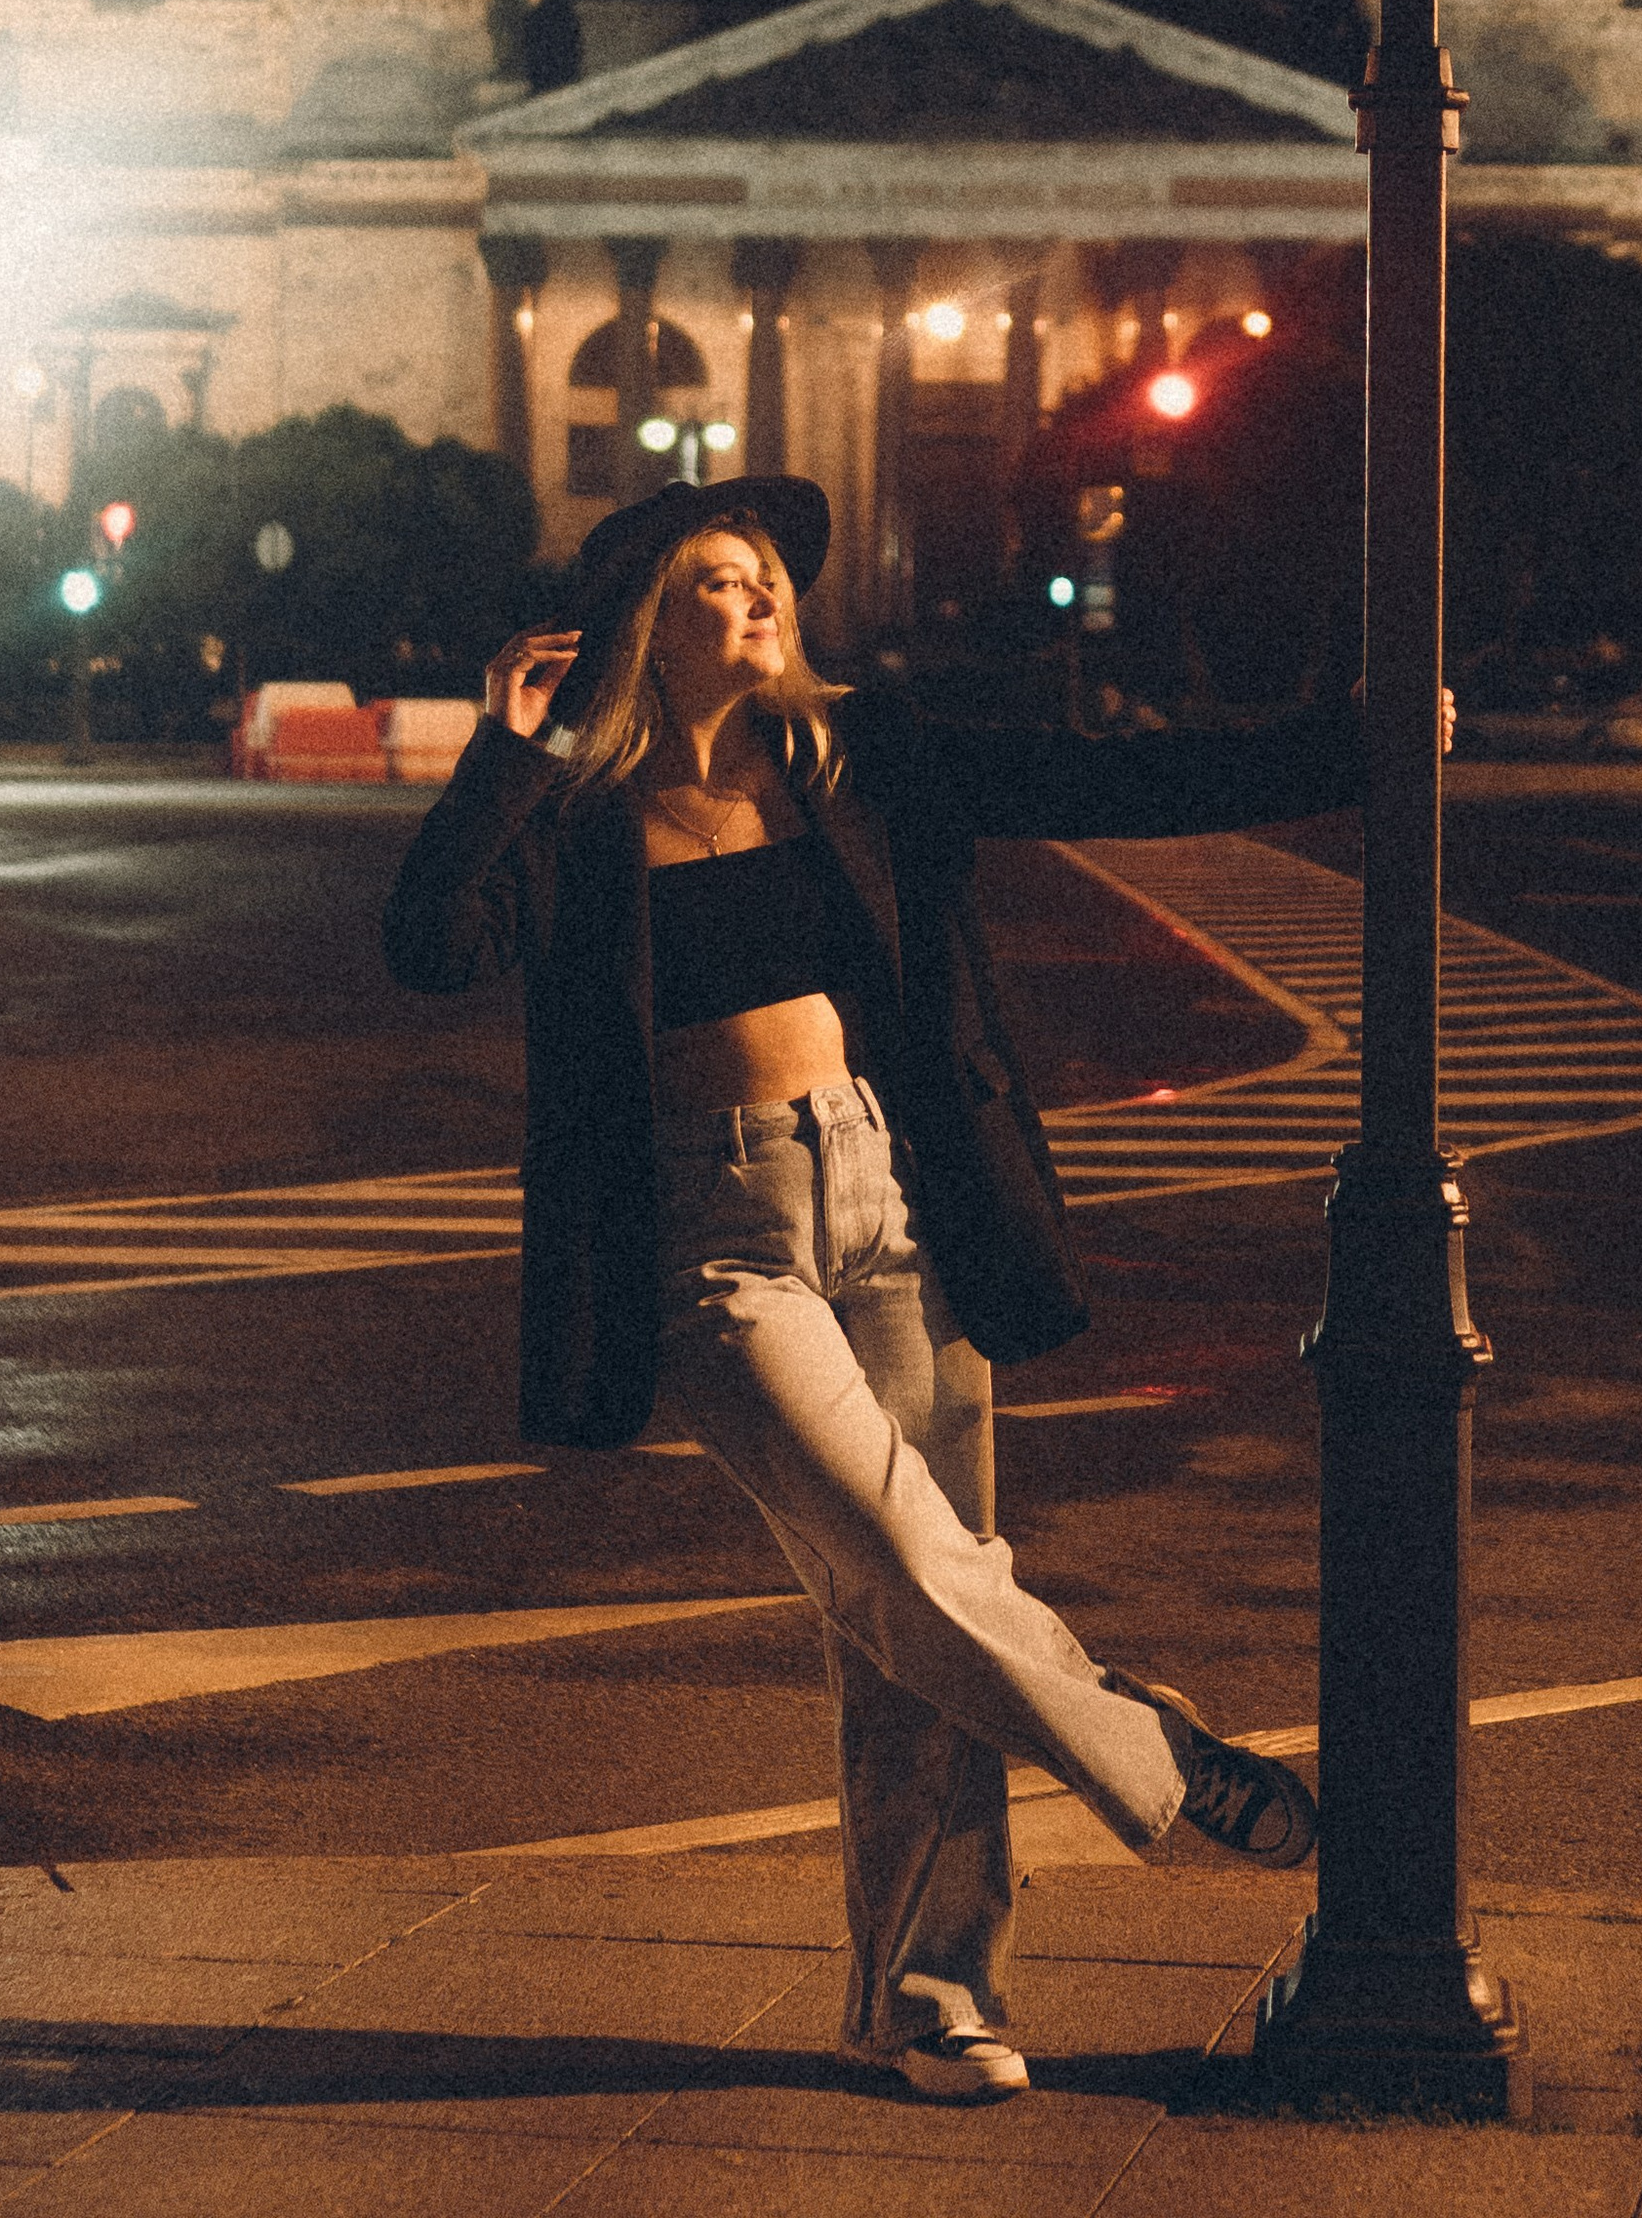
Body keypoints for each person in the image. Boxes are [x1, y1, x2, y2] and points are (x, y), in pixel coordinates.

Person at [383, 473, 1358, 2103]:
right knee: (913, 1559)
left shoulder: (862, 756)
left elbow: (1110, 784)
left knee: (910, 1617)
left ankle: (925, 1998)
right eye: (716, 579)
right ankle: (1161, 1765)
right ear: (643, 618)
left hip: (890, 1197)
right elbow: (428, 943)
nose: (759, 599)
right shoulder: (576, 810)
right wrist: (512, 748)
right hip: (710, 1231)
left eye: (768, 579)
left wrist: (1360, 744)